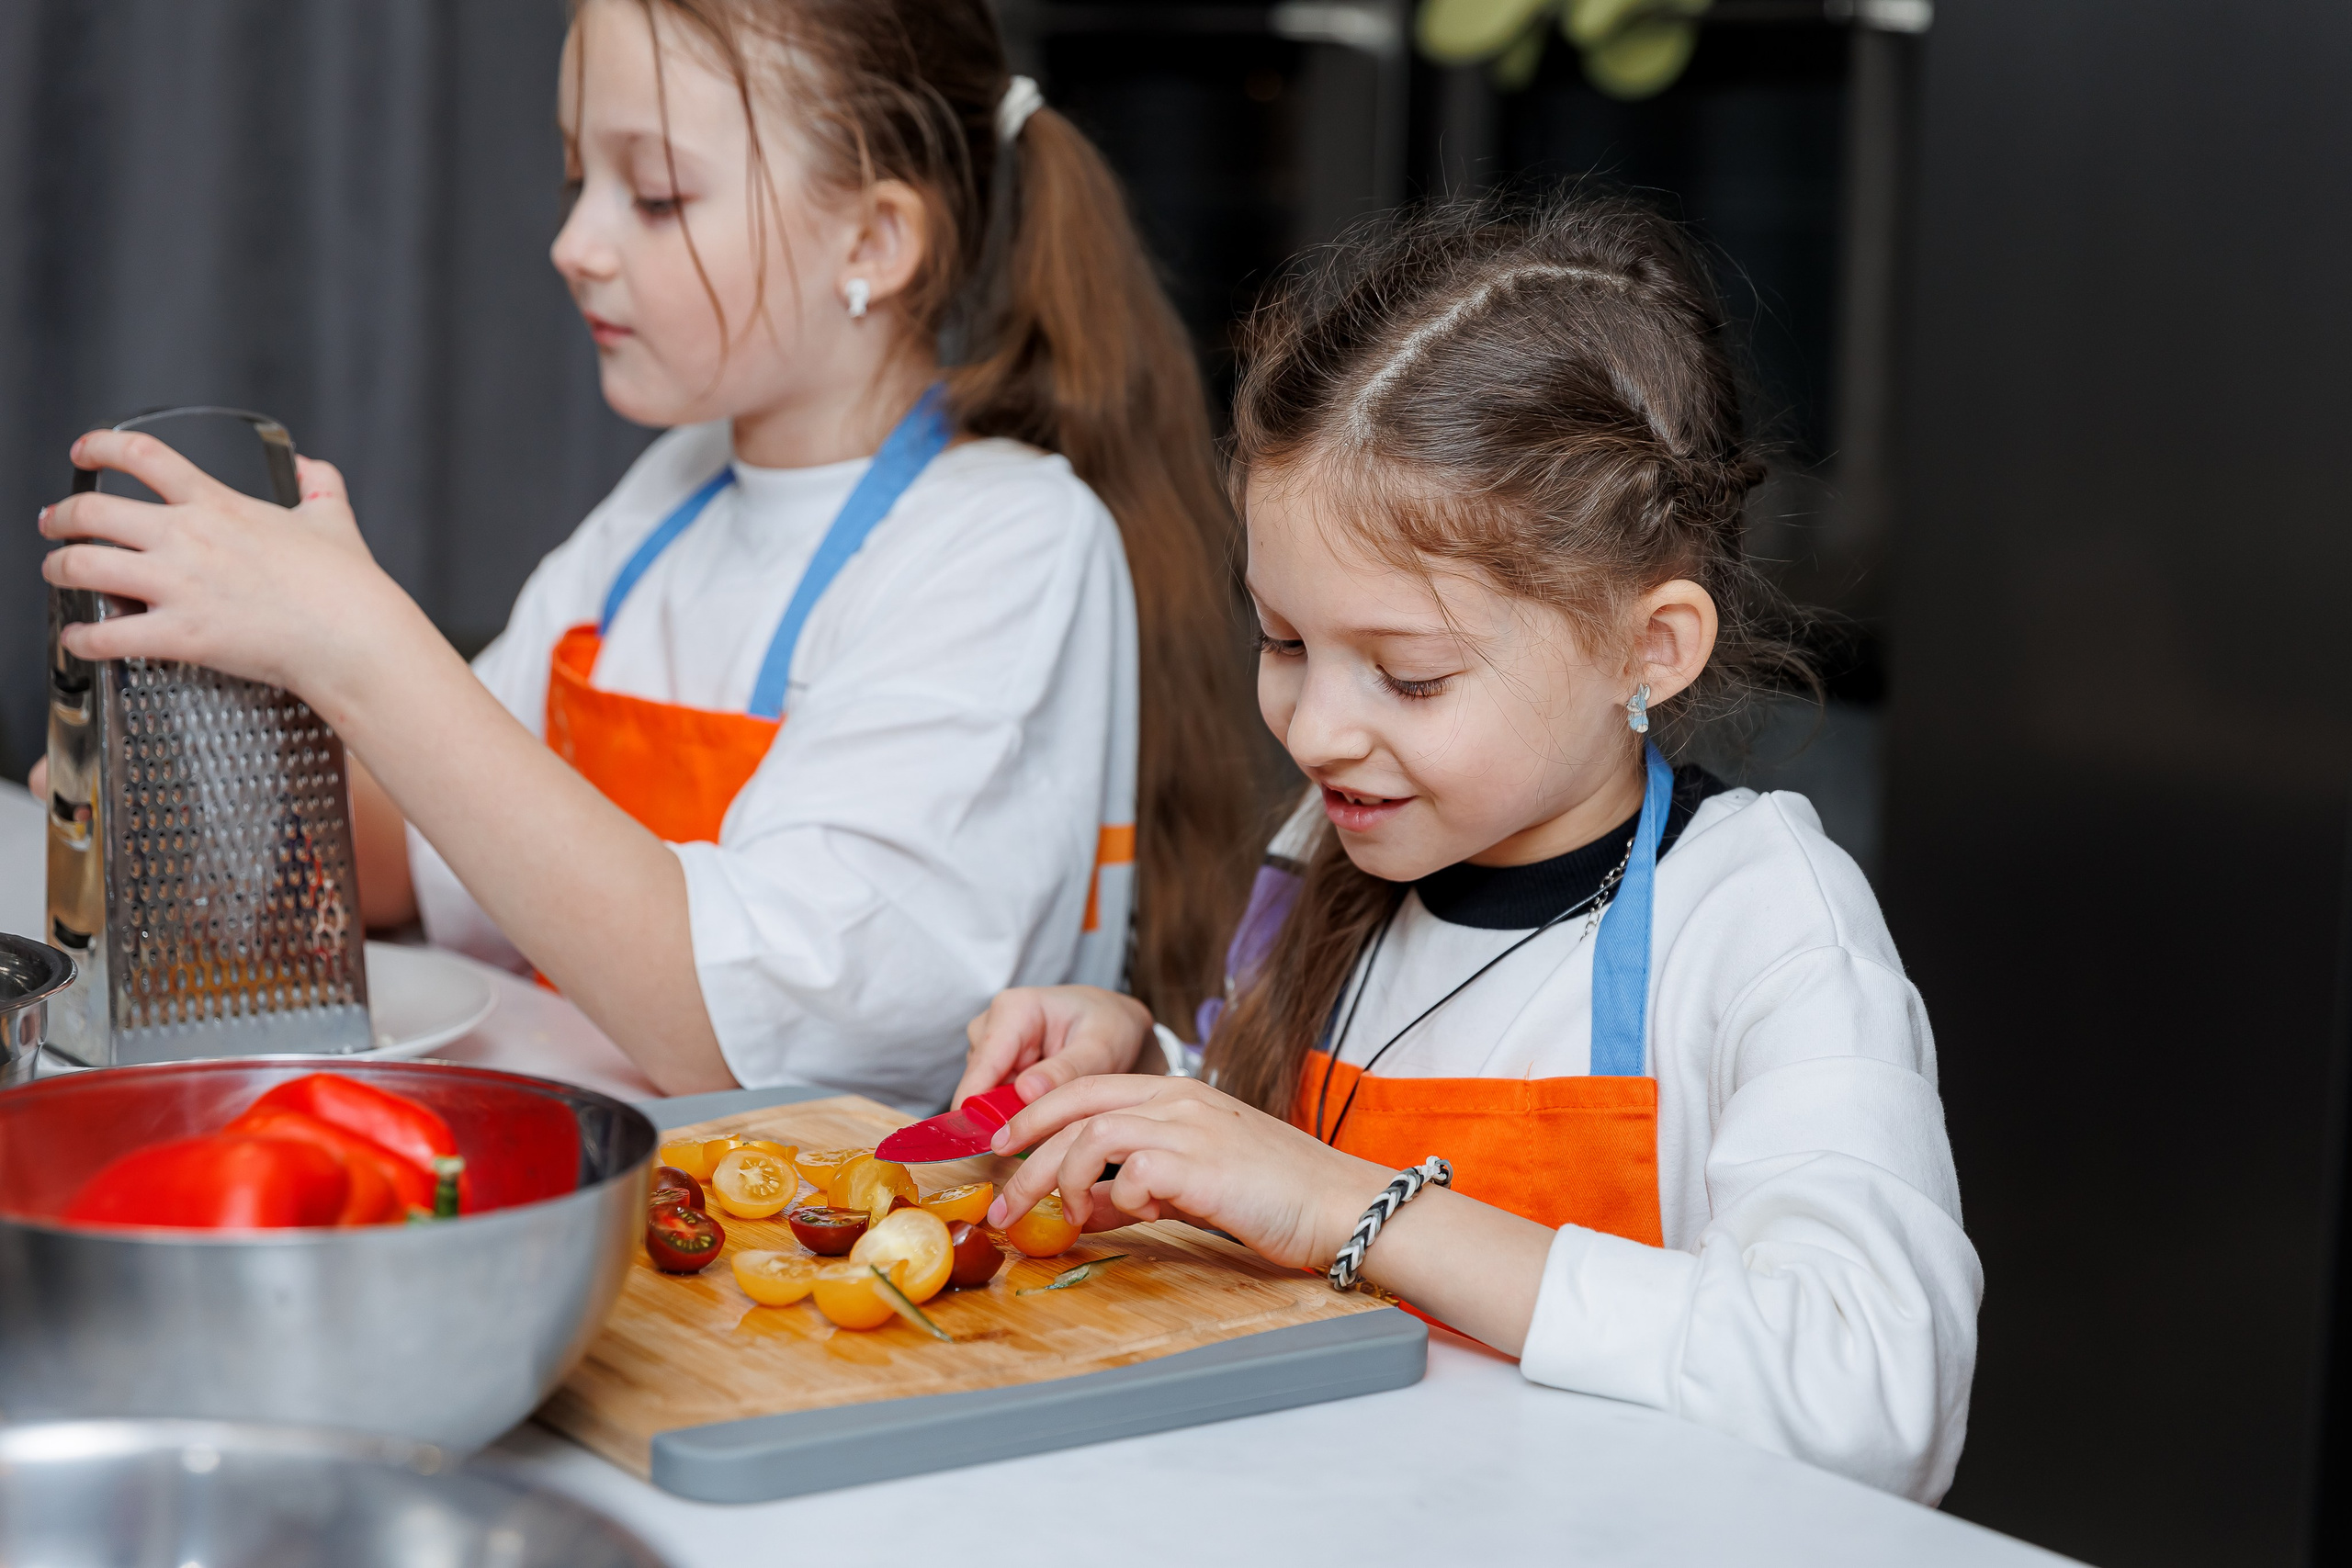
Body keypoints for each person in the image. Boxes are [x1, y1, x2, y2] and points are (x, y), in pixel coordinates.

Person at [34, 0, 1257, 1108]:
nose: (575, 243)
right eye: (577, 180)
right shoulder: (670, 503)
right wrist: (182, 796)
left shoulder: (1010, 545)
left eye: (656, 195)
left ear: (876, 244)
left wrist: (359, 646)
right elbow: (429, 847)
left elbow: (732, 1035)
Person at [953, 196, 1981, 1501]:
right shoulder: (1336, 846)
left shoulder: (1765, 919)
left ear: (1645, 648)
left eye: (1411, 676)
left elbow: (1875, 1398)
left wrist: (1353, 1210)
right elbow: (1271, 1157)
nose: (1317, 729)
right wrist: (1146, 1081)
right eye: (1282, 642)